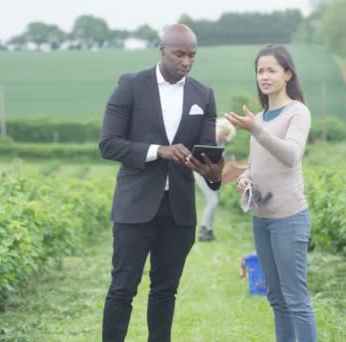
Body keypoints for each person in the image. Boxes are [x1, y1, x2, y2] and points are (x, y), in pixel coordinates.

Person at [99, 24, 224, 342]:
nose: (186, 62)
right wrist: (159, 151)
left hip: (179, 211)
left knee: (166, 291)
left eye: (192, 56)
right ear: (162, 50)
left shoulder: (202, 95)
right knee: (122, 288)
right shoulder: (130, 86)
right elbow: (109, 144)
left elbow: (207, 154)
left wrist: (212, 172)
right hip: (135, 207)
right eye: (179, 54)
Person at [224, 44, 317, 342]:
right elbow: (257, 164)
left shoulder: (297, 112)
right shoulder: (261, 117)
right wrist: (245, 178)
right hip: (261, 218)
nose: (264, 76)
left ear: (287, 74)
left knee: (296, 298)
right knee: (276, 297)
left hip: (289, 218)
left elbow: (291, 155)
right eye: (260, 70)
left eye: (271, 70)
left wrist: (256, 130)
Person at [195, 118, 236, 241]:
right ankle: (203, 230)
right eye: (226, 135)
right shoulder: (209, 140)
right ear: (222, 131)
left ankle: (209, 231)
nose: (226, 138)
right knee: (213, 201)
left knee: (214, 200)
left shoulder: (220, 142)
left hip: (211, 174)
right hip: (201, 172)